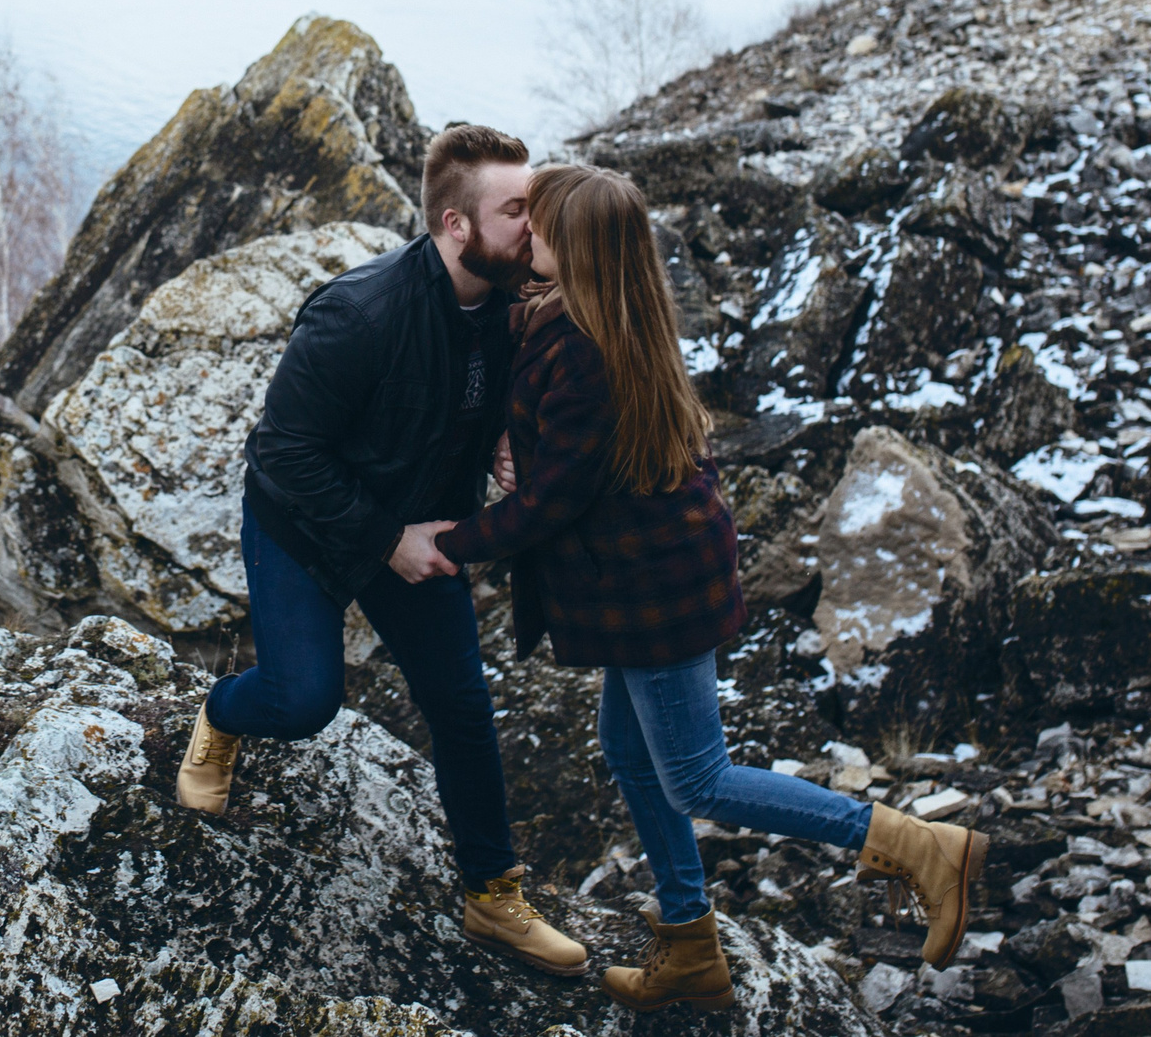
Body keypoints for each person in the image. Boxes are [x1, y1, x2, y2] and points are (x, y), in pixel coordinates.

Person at [431, 163, 989, 1014]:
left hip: (657, 592)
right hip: (644, 581)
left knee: (697, 776)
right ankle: (690, 947)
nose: (524, 237)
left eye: (537, 225)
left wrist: (450, 542)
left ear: (573, 248)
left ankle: (911, 844)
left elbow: (552, 504)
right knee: (628, 749)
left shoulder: (585, 350)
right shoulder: (596, 317)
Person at [172, 123, 591, 976]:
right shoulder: (357, 313)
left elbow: (474, 401)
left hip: (421, 526)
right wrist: (384, 538)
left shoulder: (516, 311)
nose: (533, 225)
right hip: (308, 522)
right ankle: (221, 712)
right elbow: (282, 453)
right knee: (303, 699)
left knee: (464, 709)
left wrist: (504, 443)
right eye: (516, 209)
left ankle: (490, 893)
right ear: (454, 224)